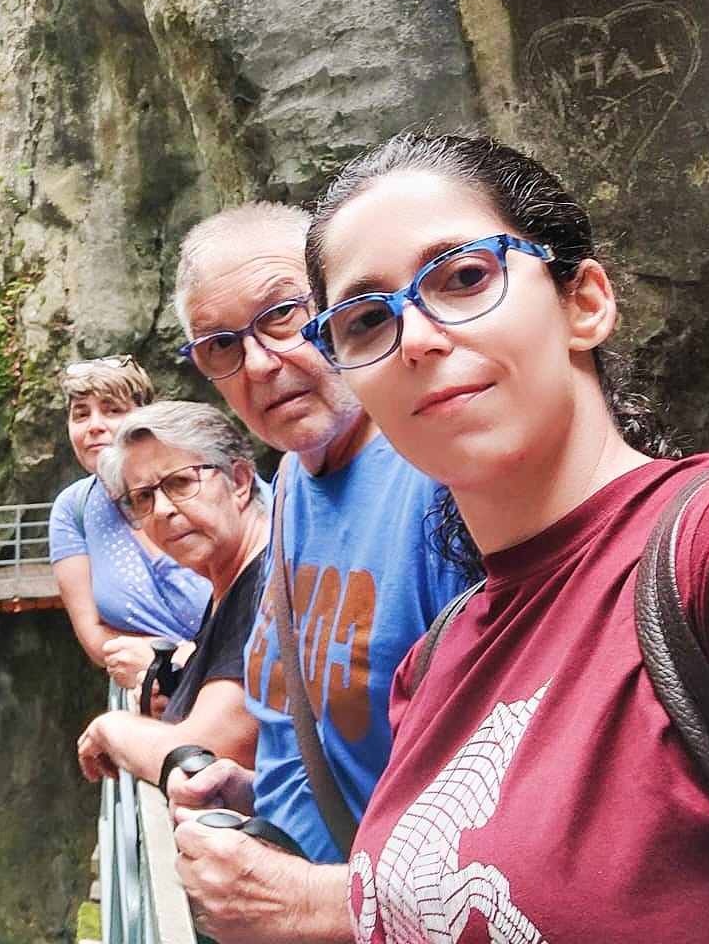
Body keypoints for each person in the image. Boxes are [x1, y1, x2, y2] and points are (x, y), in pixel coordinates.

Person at [296, 131, 709, 940]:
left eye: (465, 277)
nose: (415, 337)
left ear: (583, 302)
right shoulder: (436, 660)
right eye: (366, 320)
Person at [165, 202, 473, 944]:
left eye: (282, 315)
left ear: (342, 308)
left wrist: (307, 901)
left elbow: (526, 816)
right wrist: (260, 790)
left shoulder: (443, 481)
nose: (262, 365)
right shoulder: (293, 483)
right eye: (220, 347)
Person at [75, 402, 267, 784]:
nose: (161, 510)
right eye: (143, 497)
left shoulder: (265, 586)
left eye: (181, 482)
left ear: (241, 482)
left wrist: (110, 729)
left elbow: (202, 752)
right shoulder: (229, 586)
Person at [49, 356, 213, 689]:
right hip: (147, 692)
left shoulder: (201, 481)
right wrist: (155, 666)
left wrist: (183, 661)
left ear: (143, 419)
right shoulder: (73, 509)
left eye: (112, 410)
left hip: (233, 683)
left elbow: (261, 594)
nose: (94, 425)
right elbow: (91, 631)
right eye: (81, 414)